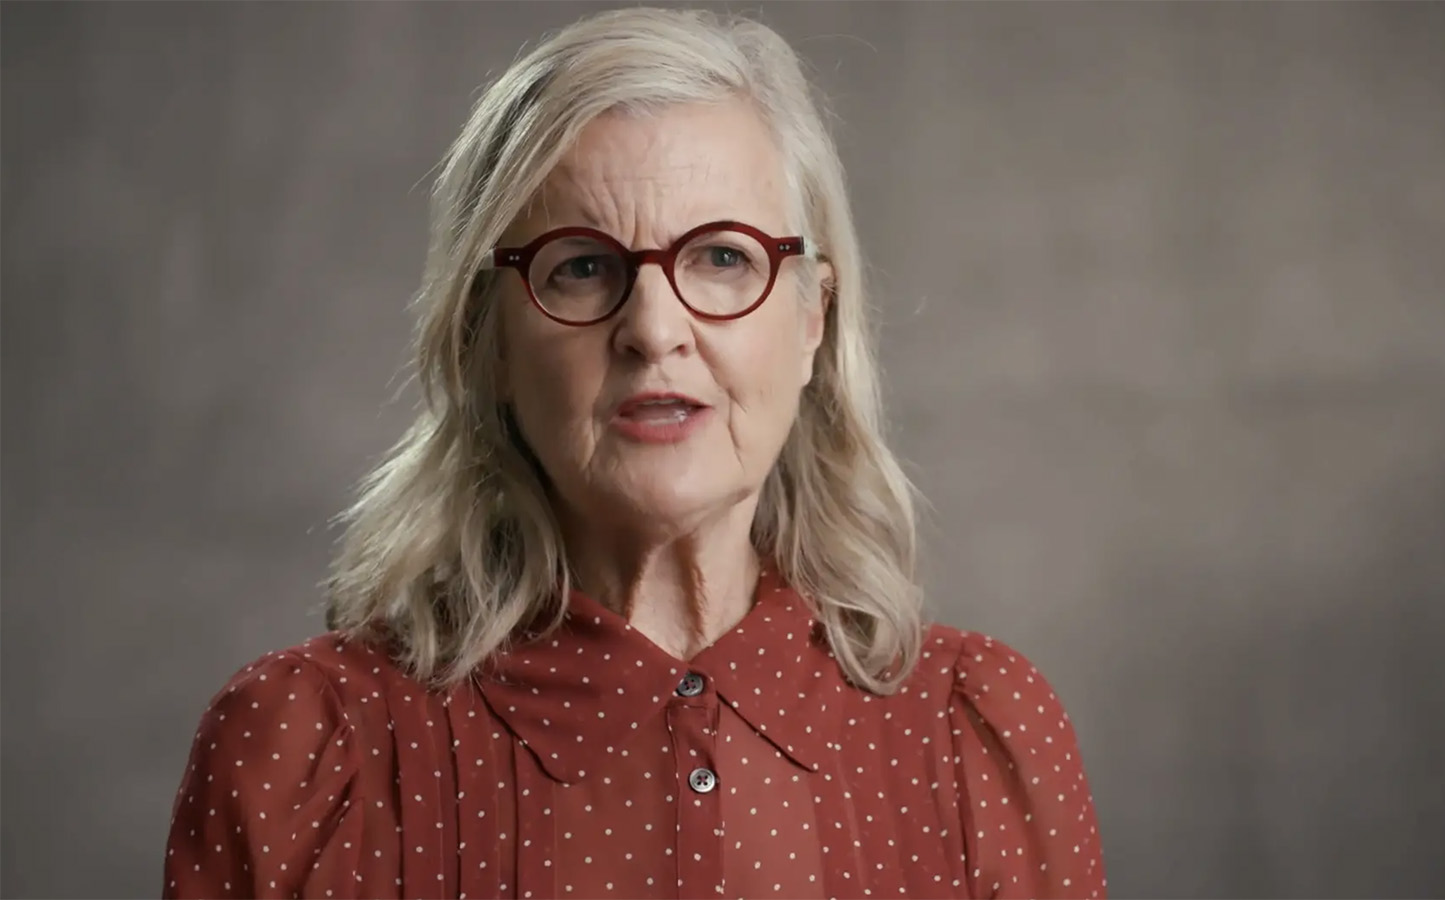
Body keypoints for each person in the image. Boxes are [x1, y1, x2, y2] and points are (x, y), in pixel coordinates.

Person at [162, 7, 1105, 899]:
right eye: (582, 266)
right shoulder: (305, 750)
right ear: (487, 341)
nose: (654, 329)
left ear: (813, 318)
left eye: (723, 258)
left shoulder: (980, 739)